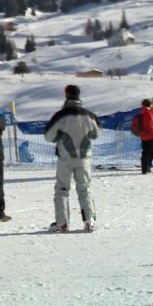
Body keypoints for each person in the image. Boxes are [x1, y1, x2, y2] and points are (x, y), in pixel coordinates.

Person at [44, 85, 101, 232]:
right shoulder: (89, 116)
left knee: (62, 189)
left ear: (66, 95)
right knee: (84, 188)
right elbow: (97, 133)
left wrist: (58, 137)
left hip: (65, 157)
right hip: (84, 157)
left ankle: (62, 222)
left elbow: (48, 135)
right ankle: (89, 220)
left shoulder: (61, 116)